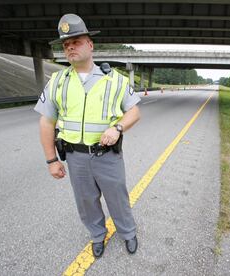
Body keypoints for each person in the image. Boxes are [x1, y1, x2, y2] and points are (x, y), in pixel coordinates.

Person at [34, 13, 141, 258]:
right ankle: (97, 235)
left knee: (118, 198)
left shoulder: (114, 80)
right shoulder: (57, 81)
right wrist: (52, 160)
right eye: (66, 44)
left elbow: (134, 111)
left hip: (107, 156)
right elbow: (46, 121)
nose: (70, 47)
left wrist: (117, 128)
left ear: (90, 45)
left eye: (76, 41)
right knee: (86, 201)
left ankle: (128, 233)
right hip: (75, 158)